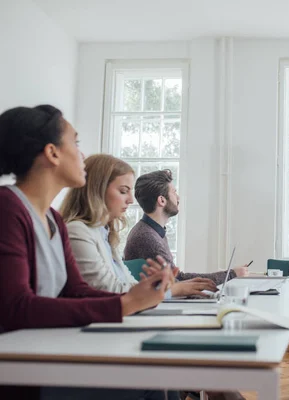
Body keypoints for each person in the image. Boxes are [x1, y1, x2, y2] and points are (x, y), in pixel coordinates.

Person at [0, 105, 177, 399]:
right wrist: (124, 304)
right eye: (76, 143)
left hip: (46, 352)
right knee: (151, 379)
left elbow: (76, 290)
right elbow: (16, 307)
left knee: (156, 378)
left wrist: (138, 299)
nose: (82, 155)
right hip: (21, 372)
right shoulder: (7, 209)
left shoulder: (53, 219)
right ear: (52, 153)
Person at [60, 154, 217, 298]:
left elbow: (127, 283)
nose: (130, 200)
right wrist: (171, 289)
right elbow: (108, 289)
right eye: (123, 191)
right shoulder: (78, 231)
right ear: (97, 191)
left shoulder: (103, 233)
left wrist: (164, 286)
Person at [124, 169, 248, 284]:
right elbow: (177, 280)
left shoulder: (151, 231)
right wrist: (231, 275)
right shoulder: (147, 237)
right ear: (162, 200)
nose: (178, 198)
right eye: (174, 192)